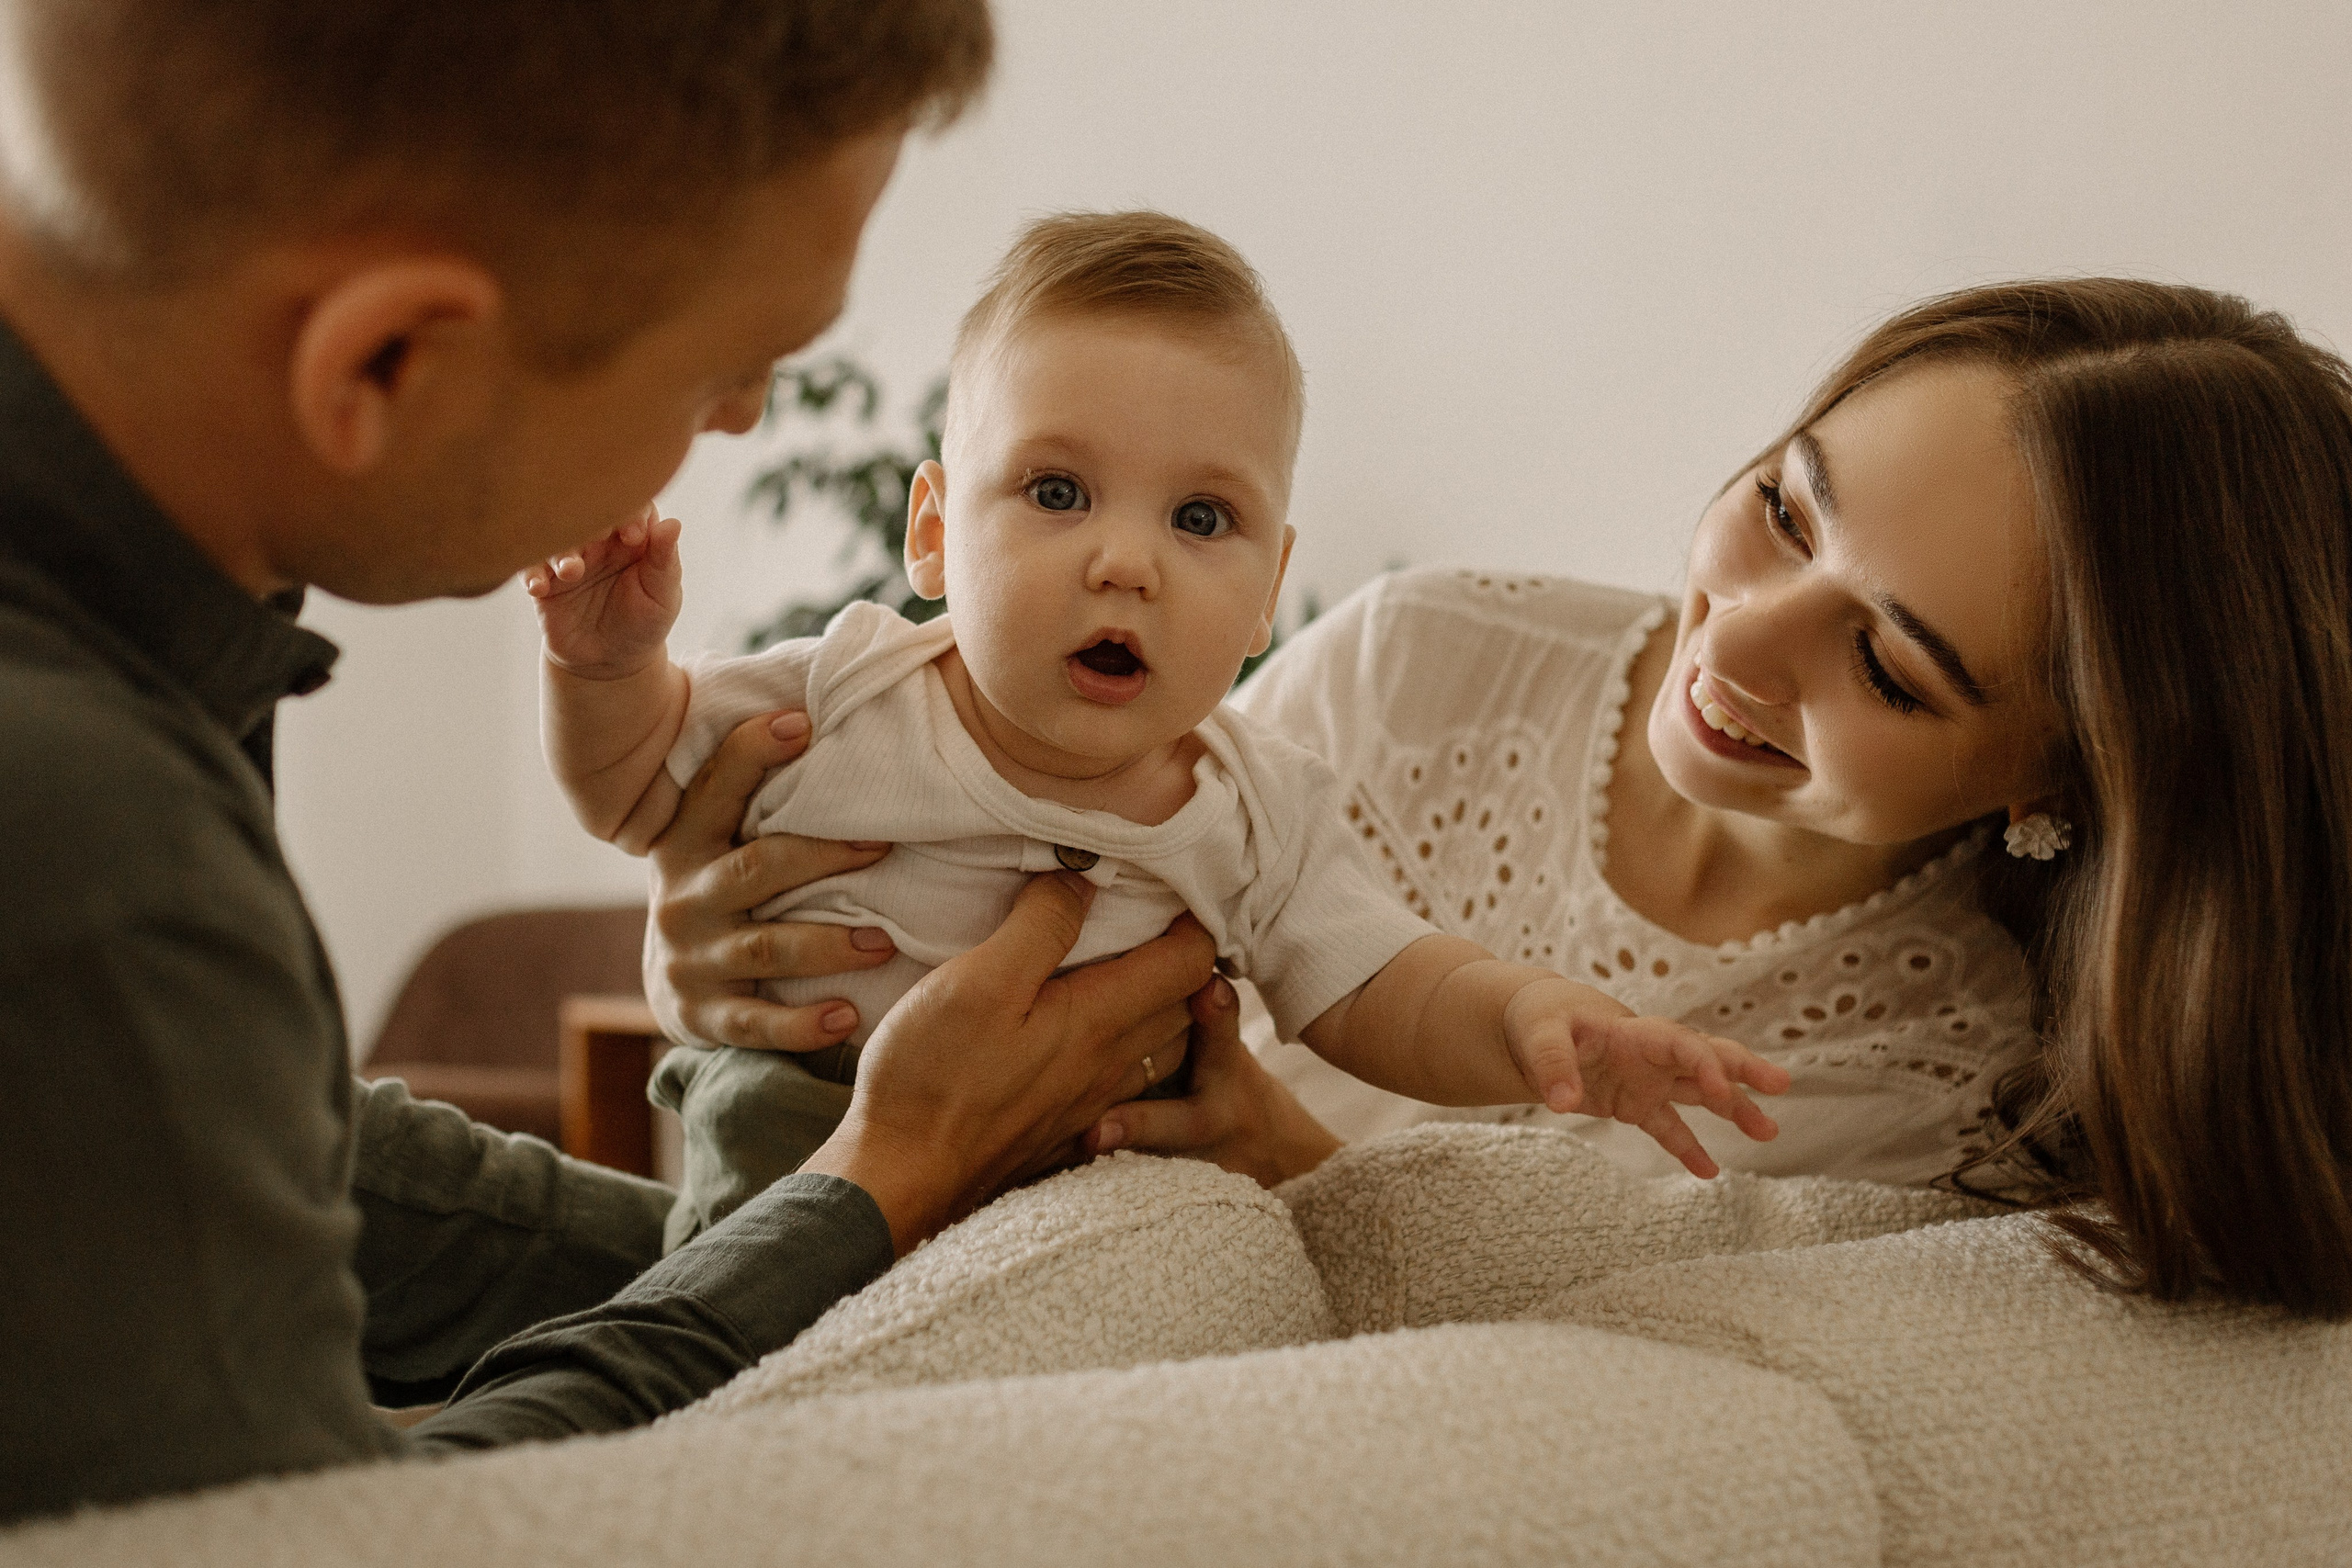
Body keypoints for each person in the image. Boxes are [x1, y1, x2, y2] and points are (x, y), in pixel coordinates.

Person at [0, 0, 1230, 1527]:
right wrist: (883, 1176)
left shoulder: (152, 583)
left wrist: (815, 1226)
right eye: (728, 364)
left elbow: (253, 1166)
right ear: (386, 359)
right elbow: (330, 1536)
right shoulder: (83, 845)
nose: (747, 418)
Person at [654, 277, 2352, 1320]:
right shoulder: (1428, 659)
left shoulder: (1977, 1091)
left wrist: (1301, 1165)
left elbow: (1616, 1363)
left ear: (2075, 770)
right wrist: (732, 949)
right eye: (1782, 507)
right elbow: (1045, 860)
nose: (1742, 644)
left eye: (1891, 667)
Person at [531, 210, 1789, 1246]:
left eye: (1200, 520)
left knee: (1192, 1267)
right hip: (805, 1127)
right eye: (1057, 492)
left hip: (1093, 1178)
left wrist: (1531, 1025)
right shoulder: (846, 692)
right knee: (753, 1323)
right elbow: (637, 792)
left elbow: (1389, 985)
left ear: (1263, 594)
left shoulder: (1255, 809)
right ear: (931, 532)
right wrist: (608, 666)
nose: (1126, 561)